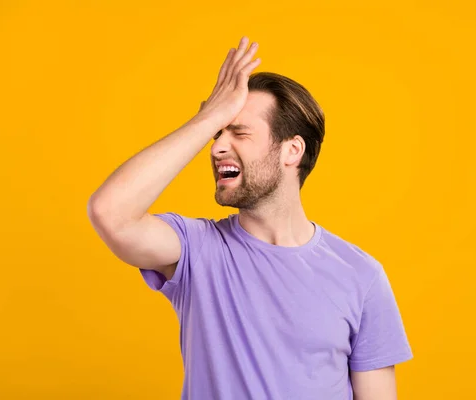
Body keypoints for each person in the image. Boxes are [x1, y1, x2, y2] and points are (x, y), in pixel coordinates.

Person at [87, 36, 413, 400]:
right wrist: (208, 117)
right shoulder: (196, 250)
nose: (217, 148)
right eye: (216, 134)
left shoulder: (361, 275)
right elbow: (110, 212)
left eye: (238, 132)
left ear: (292, 150)